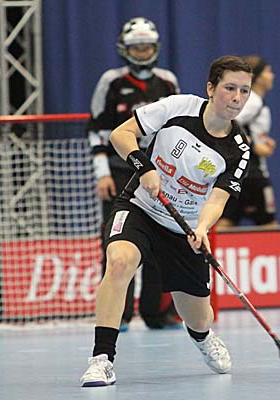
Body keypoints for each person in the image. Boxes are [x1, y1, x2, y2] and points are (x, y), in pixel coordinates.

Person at [79, 55, 253, 387]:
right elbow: (121, 134)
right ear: (211, 88)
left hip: (183, 228)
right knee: (119, 262)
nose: (237, 98)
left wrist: (201, 228)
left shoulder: (239, 149)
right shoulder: (178, 107)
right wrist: (143, 166)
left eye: (244, 91)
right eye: (230, 88)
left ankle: (203, 338)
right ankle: (102, 359)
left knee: (198, 319)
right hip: (140, 208)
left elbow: (217, 200)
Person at [86, 17, 181, 331]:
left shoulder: (167, 82)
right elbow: (97, 129)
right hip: (120, 170)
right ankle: (120, 314)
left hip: (157, 171)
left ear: (156, 48)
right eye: (136, 47)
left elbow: (177, 127)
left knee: (160, 239)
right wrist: (102, 172)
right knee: (117, 241)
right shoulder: (111, 81)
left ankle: (156, 313)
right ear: (125, 49)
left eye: (147, 47)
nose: (142, 52)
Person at [216, 55, 278, 229]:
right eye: (268, 71)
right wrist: (254, 147)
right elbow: (228, 121)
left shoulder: (255, 101)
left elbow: (245, 129)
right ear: (257, 77)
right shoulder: (253, 101)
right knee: (270, 226)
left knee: (226, 223)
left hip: (239, 172)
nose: (272, 75)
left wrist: (263, 142)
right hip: (254, 174)